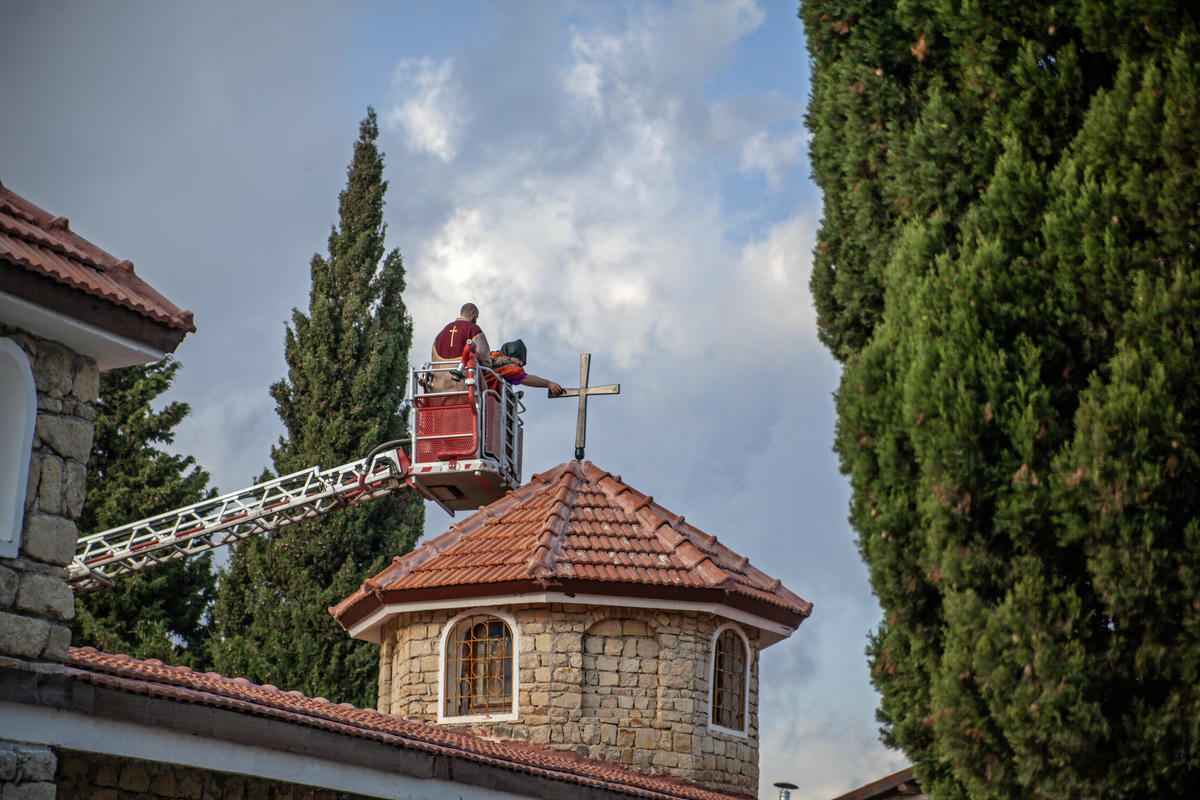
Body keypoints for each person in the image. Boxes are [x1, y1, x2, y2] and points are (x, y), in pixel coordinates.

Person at [429, 303, 491, 392]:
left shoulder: (441, 334)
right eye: (476, 317)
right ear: (472, 313)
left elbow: (434, 360)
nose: (476, 320)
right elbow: (484, 358)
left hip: (440, 387)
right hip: (465, 386)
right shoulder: (474, 330)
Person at [485, 339, 565, 396]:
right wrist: (549, 384)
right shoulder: (504, 363)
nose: (520, 364)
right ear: (510, 354)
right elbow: (524, 378)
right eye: (519, 359)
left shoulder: (490, 360)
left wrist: (513, 396)